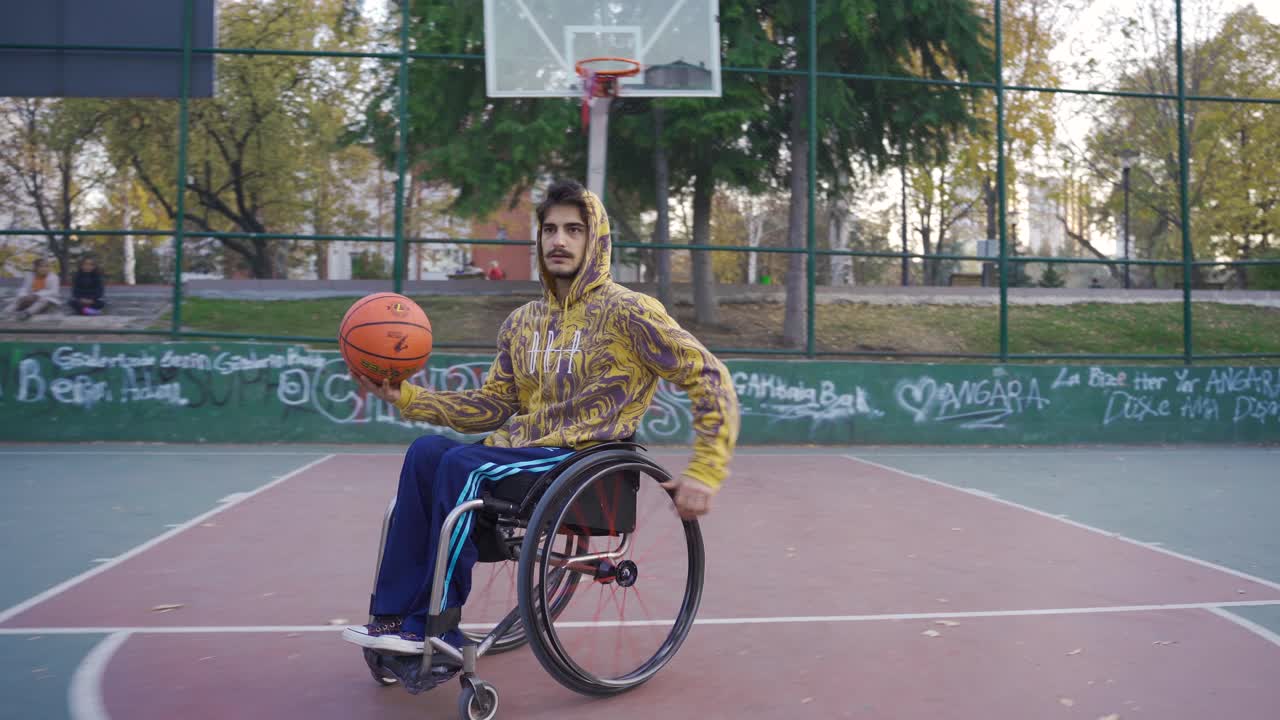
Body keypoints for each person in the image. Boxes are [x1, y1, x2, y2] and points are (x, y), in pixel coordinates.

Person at [342, 179, 740, 658]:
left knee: (464, 467)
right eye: (550, 229)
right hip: (522, 453)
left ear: (597, 241)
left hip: (583, 458)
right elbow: (492, 406)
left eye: (574, 230)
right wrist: (407, 397)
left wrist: (705, 472)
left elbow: (711, 379)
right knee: (428, 453)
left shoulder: (631, 313)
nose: (559, 240)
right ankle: (391, 616)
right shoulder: (522, 322)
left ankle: (436, 628)